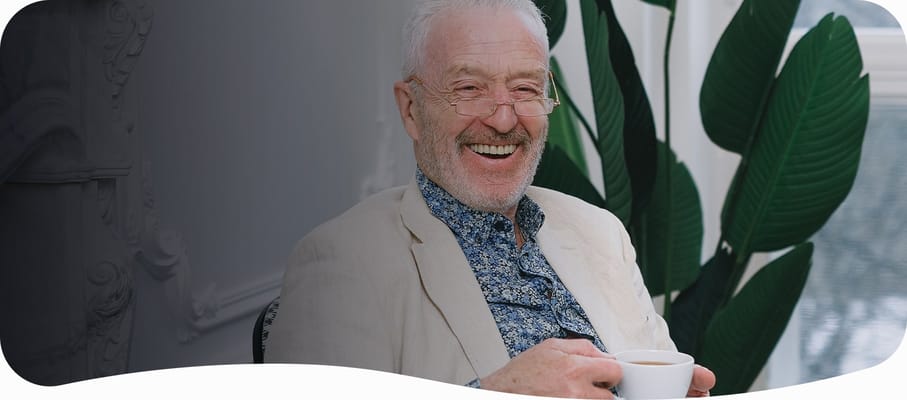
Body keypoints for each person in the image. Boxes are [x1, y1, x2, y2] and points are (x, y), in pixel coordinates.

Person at [266, 0, 716, 397]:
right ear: (411, 110)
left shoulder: (601, 233)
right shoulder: (344, 260)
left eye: (524, 88)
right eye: (469, 89)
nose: (503, 119)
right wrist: (495, 392)